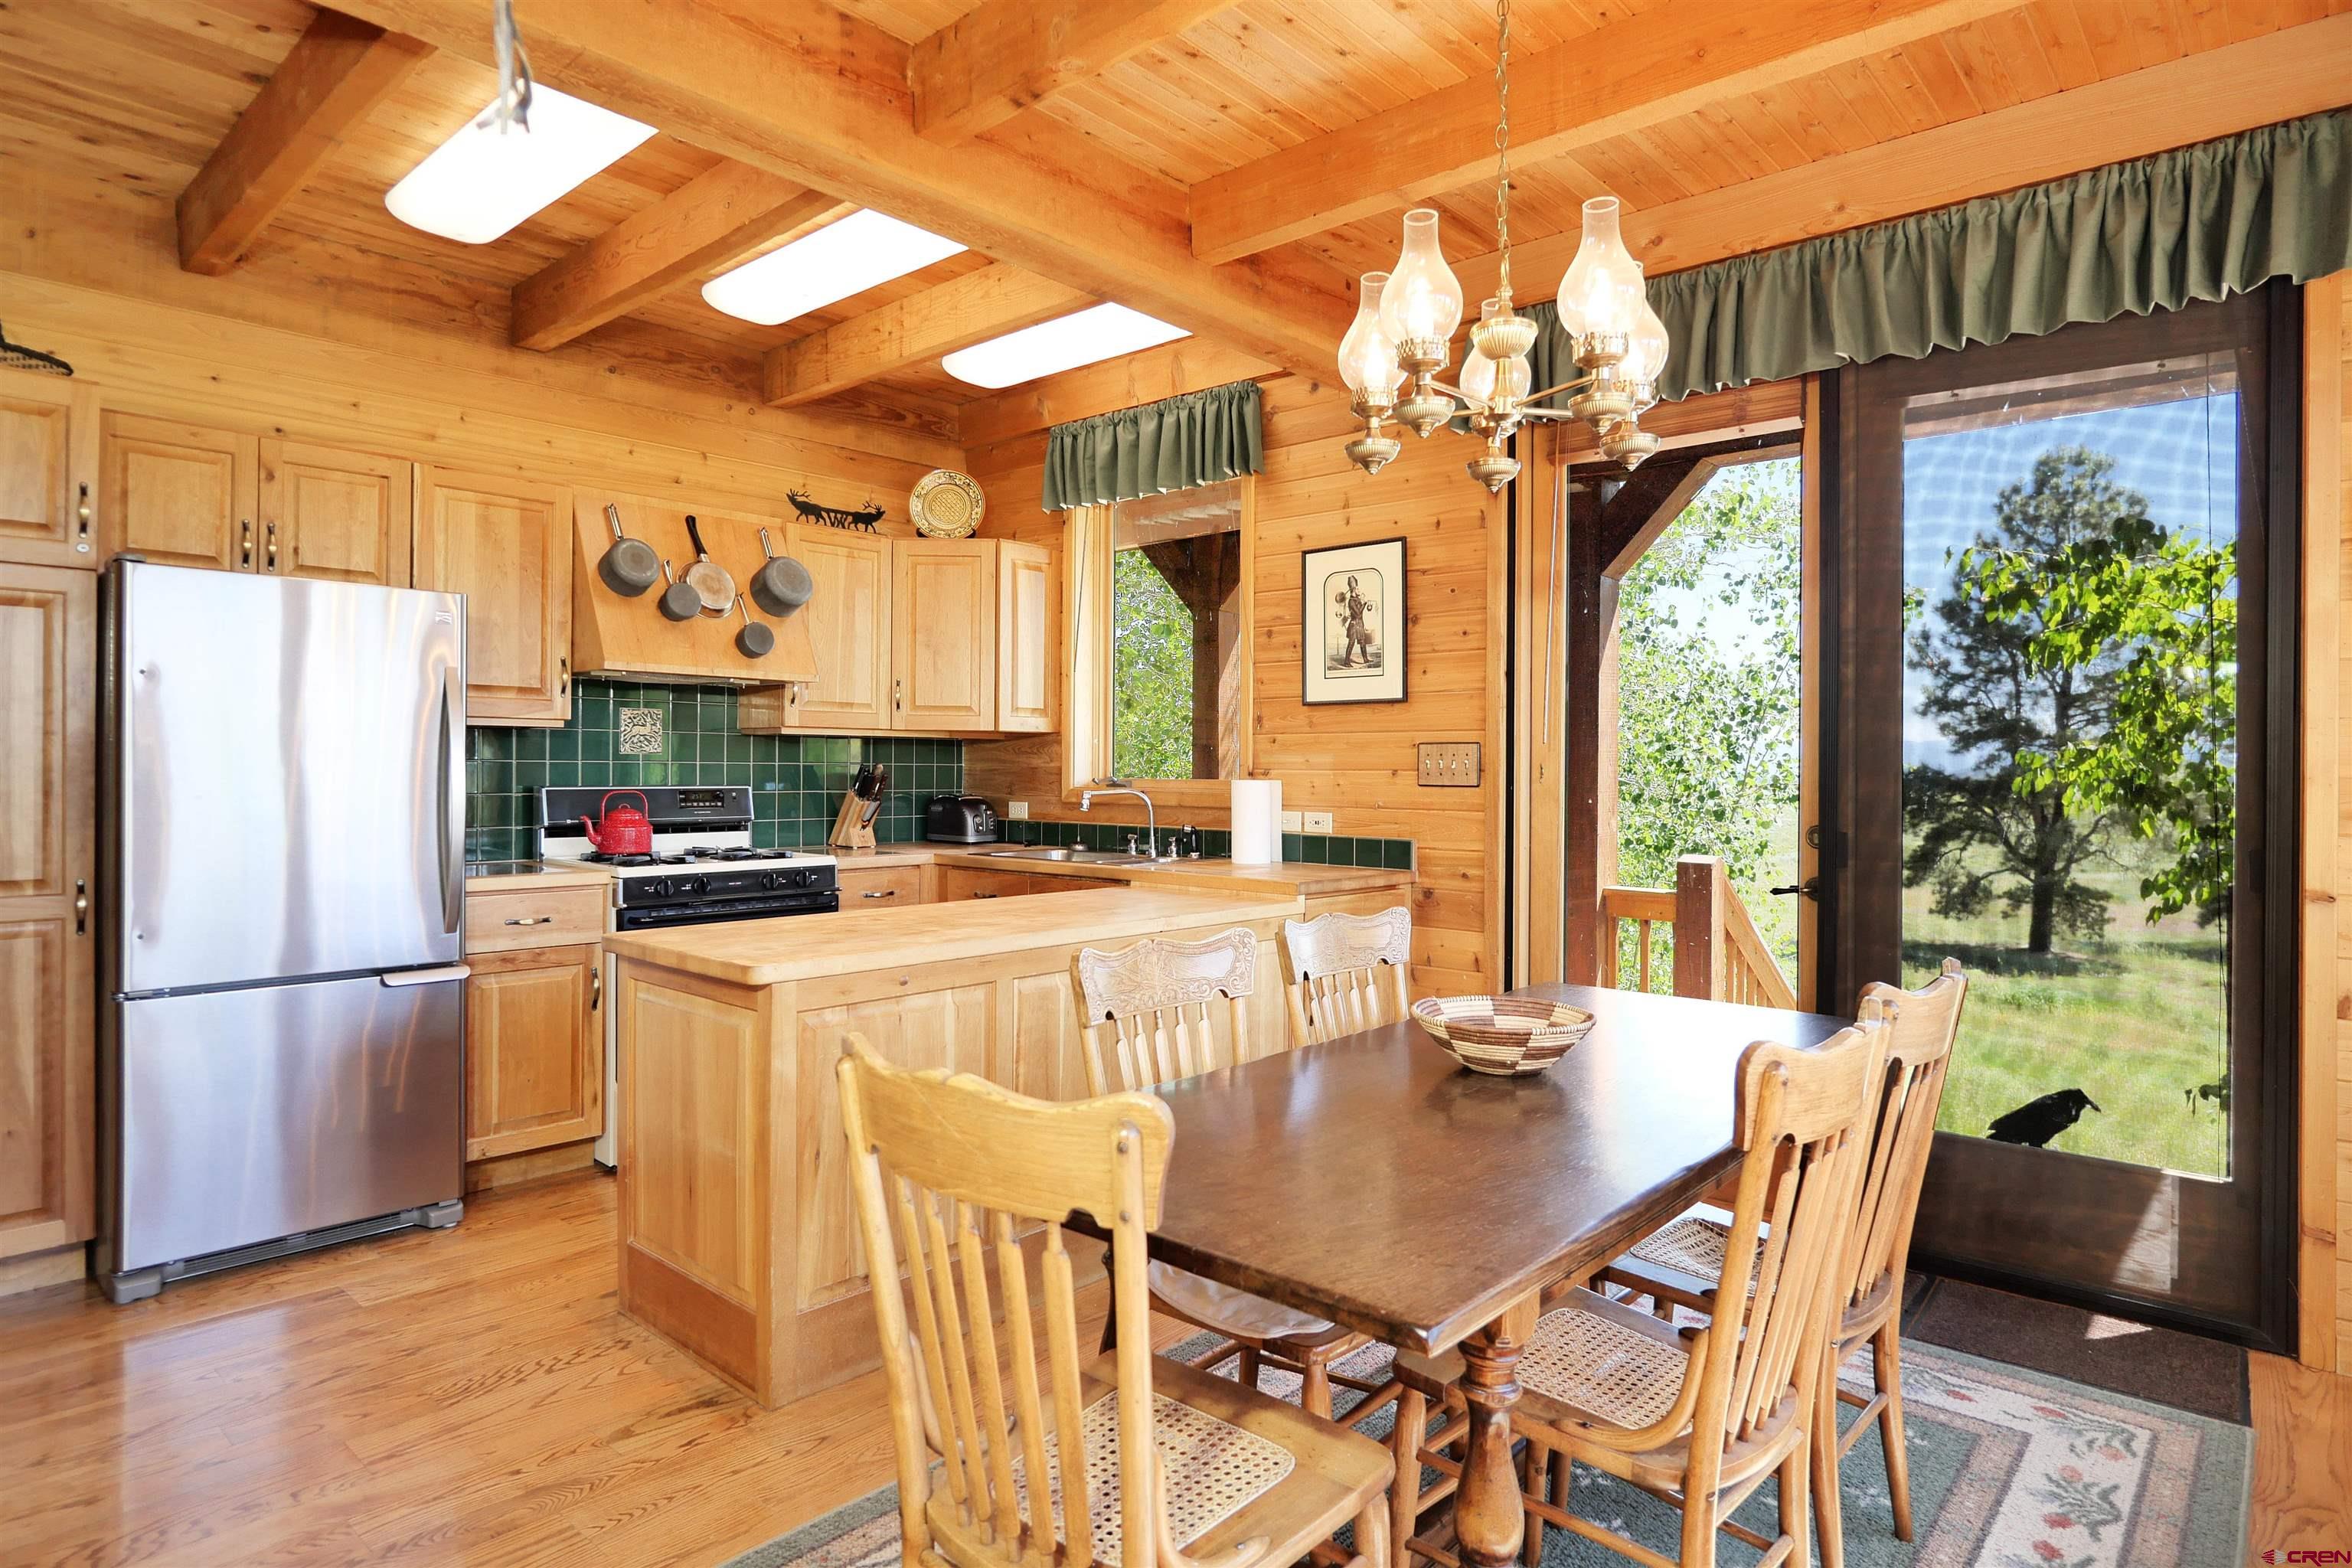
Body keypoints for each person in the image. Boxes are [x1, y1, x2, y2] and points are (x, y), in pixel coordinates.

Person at [1334, 573, 1377, 668]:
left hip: (1360, 624)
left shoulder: (1357, 599)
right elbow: (1358, 614)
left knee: (1362, 642)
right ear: (1353, 590)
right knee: (1351, 643)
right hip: (1354, 625)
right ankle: (1346, 662)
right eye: (1357, 589)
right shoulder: (1351, 602)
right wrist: (1364, 604)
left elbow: (1361, 614)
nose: (1359, 590)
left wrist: (1367, 606)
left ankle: (1365, 659)